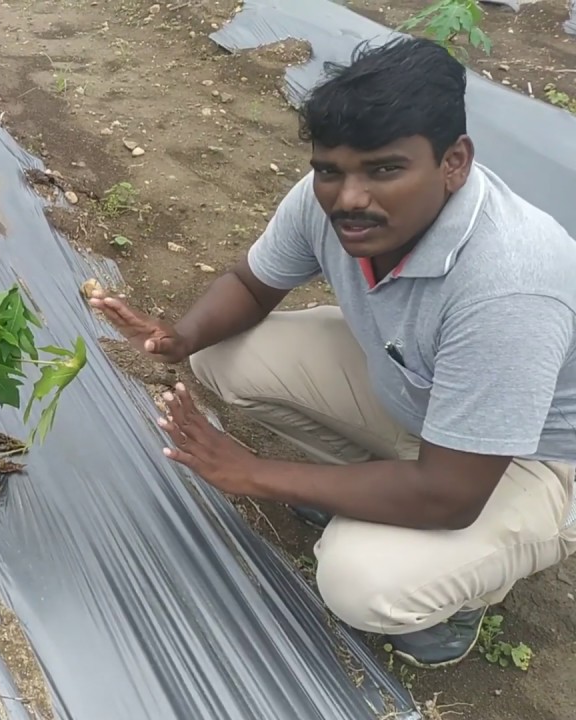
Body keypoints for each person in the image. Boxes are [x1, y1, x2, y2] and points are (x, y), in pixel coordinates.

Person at [91, 35, 576, 670]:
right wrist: (180, 335)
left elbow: (451, 495)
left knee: (360, 581)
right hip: (428, 402)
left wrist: (253, 472)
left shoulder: (510, 284)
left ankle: (457, 595)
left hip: (532, 459)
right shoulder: (329, 200)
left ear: (454, 162)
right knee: (220, 355)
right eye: (330, 170)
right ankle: (372, 491)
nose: (349, 198)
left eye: (384, 169)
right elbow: (249, 284)